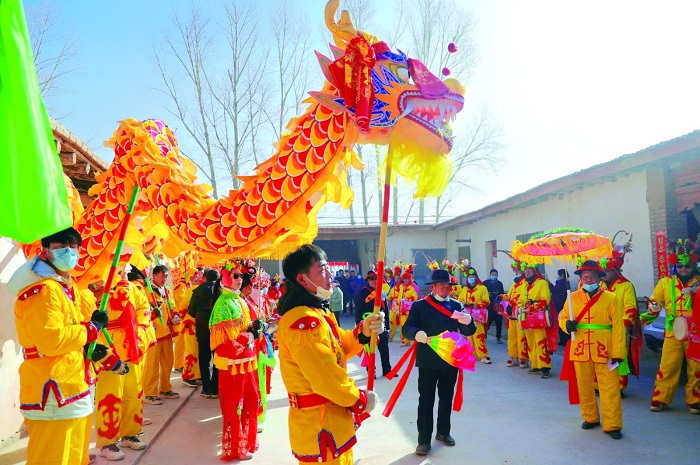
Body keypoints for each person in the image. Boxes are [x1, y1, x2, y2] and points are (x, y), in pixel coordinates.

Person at [8, 227, 124, 465]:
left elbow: (71, 332)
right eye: (60, 248)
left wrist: (92, 348)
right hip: (53, 391)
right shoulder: (43, 291)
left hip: (73, 385)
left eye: (73, 247)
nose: (68, 252)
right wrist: (92, 328)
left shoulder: (64, 288)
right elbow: (52, 341)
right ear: (45, 252)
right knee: (53, 458)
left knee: (76, 456)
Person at [276, 244, 383, 464]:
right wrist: (359, 399)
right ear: (302, 279)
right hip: (320, 424)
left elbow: (340, 347)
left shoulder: (318, 312)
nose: (329, 275)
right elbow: (326, 378)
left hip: (332, 421)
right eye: (322, 269)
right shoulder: (303, 321)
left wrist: (364, 331)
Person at [403, 268, 476, 457]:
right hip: (427, 362)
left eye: (448, 285)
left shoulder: (456, 306)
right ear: (433, 287)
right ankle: (423, 441)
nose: (445, 288)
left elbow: (468, 331)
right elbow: (407, 328)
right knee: (426, 401)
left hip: (449, 361)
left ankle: (443, 432)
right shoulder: (420, 306)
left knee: (446, 398)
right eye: (441, 285)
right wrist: (416, 334)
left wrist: (469, 321)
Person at [559, 260, 625, 440]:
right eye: (585, 276)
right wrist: (567, 325)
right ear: (581, 278)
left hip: (605, 349)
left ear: (599, 278)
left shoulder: (611, 298)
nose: (588, 279)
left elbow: (618, 327)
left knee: (610, 387)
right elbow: (562, 317)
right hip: (580, 347)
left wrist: (618, 352)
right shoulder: (572, 298)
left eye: (592, 276)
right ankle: (590, 417)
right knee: (584, 386)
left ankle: (613, 424)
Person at [95, 272, 149, 460]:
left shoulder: (133, 288)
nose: (122, 268)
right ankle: (107, 442)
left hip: (132, 346)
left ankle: (130, 433)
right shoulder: (94, 286)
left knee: (133, 394)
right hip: (109, 349)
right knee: (110, 397)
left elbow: (144, 309)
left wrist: (140, 332)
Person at [209, 264, 260, 461]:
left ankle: (246, 442)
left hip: (246, 361)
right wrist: (250, 336)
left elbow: (244, 328)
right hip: (233, 364)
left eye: (241, 276)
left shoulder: (239, 300)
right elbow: (227, 340)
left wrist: (254, 328)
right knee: (235, 405)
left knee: (251, 400)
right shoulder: (223, 304)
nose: (240, 279)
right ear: (225, 278)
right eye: (235, 275)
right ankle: (235, 448)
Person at [647, 239, 700, 414]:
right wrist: (653, 307)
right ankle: (661, 399)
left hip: (696, 333)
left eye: (687, 266)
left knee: (696, 367)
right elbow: (655, 301)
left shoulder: (699, 283)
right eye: (680, 266)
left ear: (693, 266)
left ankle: (694, 400)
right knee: (668, 366)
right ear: (675, 265)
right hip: (673, 331)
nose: (683, 269)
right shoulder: (665, 282)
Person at [600, 247, 641, 394]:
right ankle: (602, 384)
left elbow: (631, 308)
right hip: (602, 328)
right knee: (602, 356)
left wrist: (622, 325)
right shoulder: (600, 286)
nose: (604, 273)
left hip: (619, 328)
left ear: (615, 271)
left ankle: (619, 386)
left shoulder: (625, 285)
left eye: (607, 270)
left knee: (619, 356)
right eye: (602, 270)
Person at [143, 265, 180, 404]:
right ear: (154, 276)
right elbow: (143, 311)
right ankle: (150, 393)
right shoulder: (146, 291)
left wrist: (175, 316)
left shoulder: (167, 290)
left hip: (167, 332)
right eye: (162, 276)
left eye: (166, 276)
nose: (165, 279)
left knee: (168, 363)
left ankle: (165, 388)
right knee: (152, 365)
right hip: (154, 334)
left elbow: (173, 306)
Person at [188, 268, 220, 398]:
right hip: (217, 330)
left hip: (202, 330)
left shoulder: (197, 291)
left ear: (205, 278)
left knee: (204, 359)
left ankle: (206, 389)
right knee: (217, 359)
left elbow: (191, 311)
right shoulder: (221, 291)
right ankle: (215, 388)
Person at [354, 270, 392, 377]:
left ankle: (387, 370)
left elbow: (386, 310)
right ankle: (371, 372)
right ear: (368, 280)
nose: (374, 281)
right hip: (368, 324)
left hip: (381, 323)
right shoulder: (362, 293)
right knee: (370, 350)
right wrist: (360, 326)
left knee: (384, 348)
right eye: (372, 279)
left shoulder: (381, 292)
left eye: (376, 279)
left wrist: (388, 327)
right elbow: (358, 311)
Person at [519, 264, 553, 378]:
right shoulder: (524, 284)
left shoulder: (542, 283)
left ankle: (545, 366)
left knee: (541, 341)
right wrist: (520, 308)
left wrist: (531, 307)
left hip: (538, 317)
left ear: (535, 270)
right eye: (526, 270)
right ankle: (535, 365)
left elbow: (545, 300)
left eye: (530, 269)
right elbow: (520, 300)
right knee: (530, 342)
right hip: (526, 317)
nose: (527, 272)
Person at [458, 266, 491, 364]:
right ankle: (472, 354)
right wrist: (463, 303)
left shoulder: (482, 288)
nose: (471, 278)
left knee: (479, 336)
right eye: (469, 277)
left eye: (472, 276)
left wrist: (475, 305)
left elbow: (486, 301)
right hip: (467, 317)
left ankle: (483, 355)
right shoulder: (464, 289)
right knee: (469, 336)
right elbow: (460, 300)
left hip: (478, 317)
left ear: (476, 277)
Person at [502, 262, 529, 368]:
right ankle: (514, 357)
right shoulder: (514, 283)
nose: (516, 272)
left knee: (522, 337)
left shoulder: (526, 282)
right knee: (512, 337)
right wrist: (501, 297)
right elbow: (509, 295)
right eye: (515, 270)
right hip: (511, 316)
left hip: (520, 314)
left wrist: (512, 303)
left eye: (518, 270)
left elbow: (522, 297)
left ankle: (523, 358)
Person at [387, 268, 420, 346]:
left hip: (409, 308)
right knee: (402, 324)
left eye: (406, 279)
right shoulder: (401, 286)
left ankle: (412, 339)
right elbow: (399, 297)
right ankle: (405, 340)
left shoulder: (413, 287)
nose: (405, 280)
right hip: (401, 308)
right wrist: (398, 306)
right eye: (404, 279)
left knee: (409, 324)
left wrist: (407, 300)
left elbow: (416, 297)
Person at [484, 269, 505, 344]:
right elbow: (483, 293)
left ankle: (498, 337)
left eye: (495, 274)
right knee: (487, 321)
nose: (494, 276)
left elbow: (502, 293)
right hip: (489, 306)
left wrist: (498, 294)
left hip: (498, 305)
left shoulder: (499, 283)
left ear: (497, 275)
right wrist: (488, 294)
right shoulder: (485, 283)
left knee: (499, 322)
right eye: (493, 274)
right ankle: (484, 335)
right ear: (490, 275)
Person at [552, 269, 571, 346]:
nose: (557, 276)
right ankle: (563, 340)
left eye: (558, 275)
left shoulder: (562, 283)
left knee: (562, 322)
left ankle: (565, 340)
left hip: (560, 305)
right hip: (561, 304)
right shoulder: (566, 282)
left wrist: (549, 283)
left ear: (562, 275)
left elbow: (554, 290)